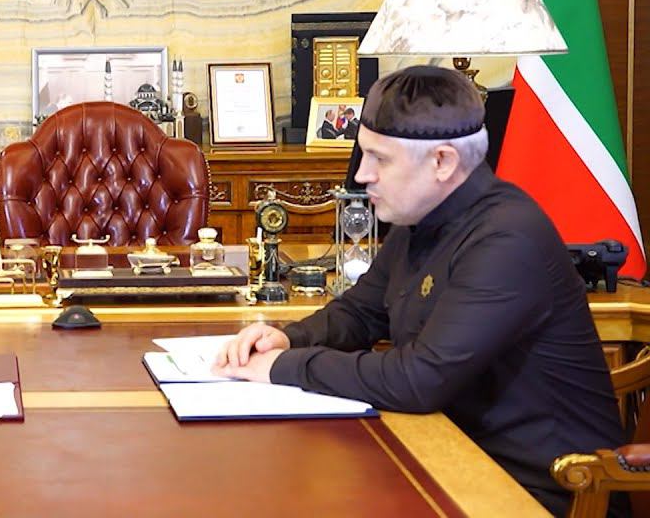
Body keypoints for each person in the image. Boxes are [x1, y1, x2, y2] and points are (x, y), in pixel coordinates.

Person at [214, 66, 625, 516]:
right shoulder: (422, 215)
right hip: (446, 458)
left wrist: (284, 367)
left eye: (380, 159)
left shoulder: (508, 237)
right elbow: (361, 312)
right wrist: (287, 338)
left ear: (442, 162)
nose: (362, 175)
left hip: (540, 493)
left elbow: (418, 380)